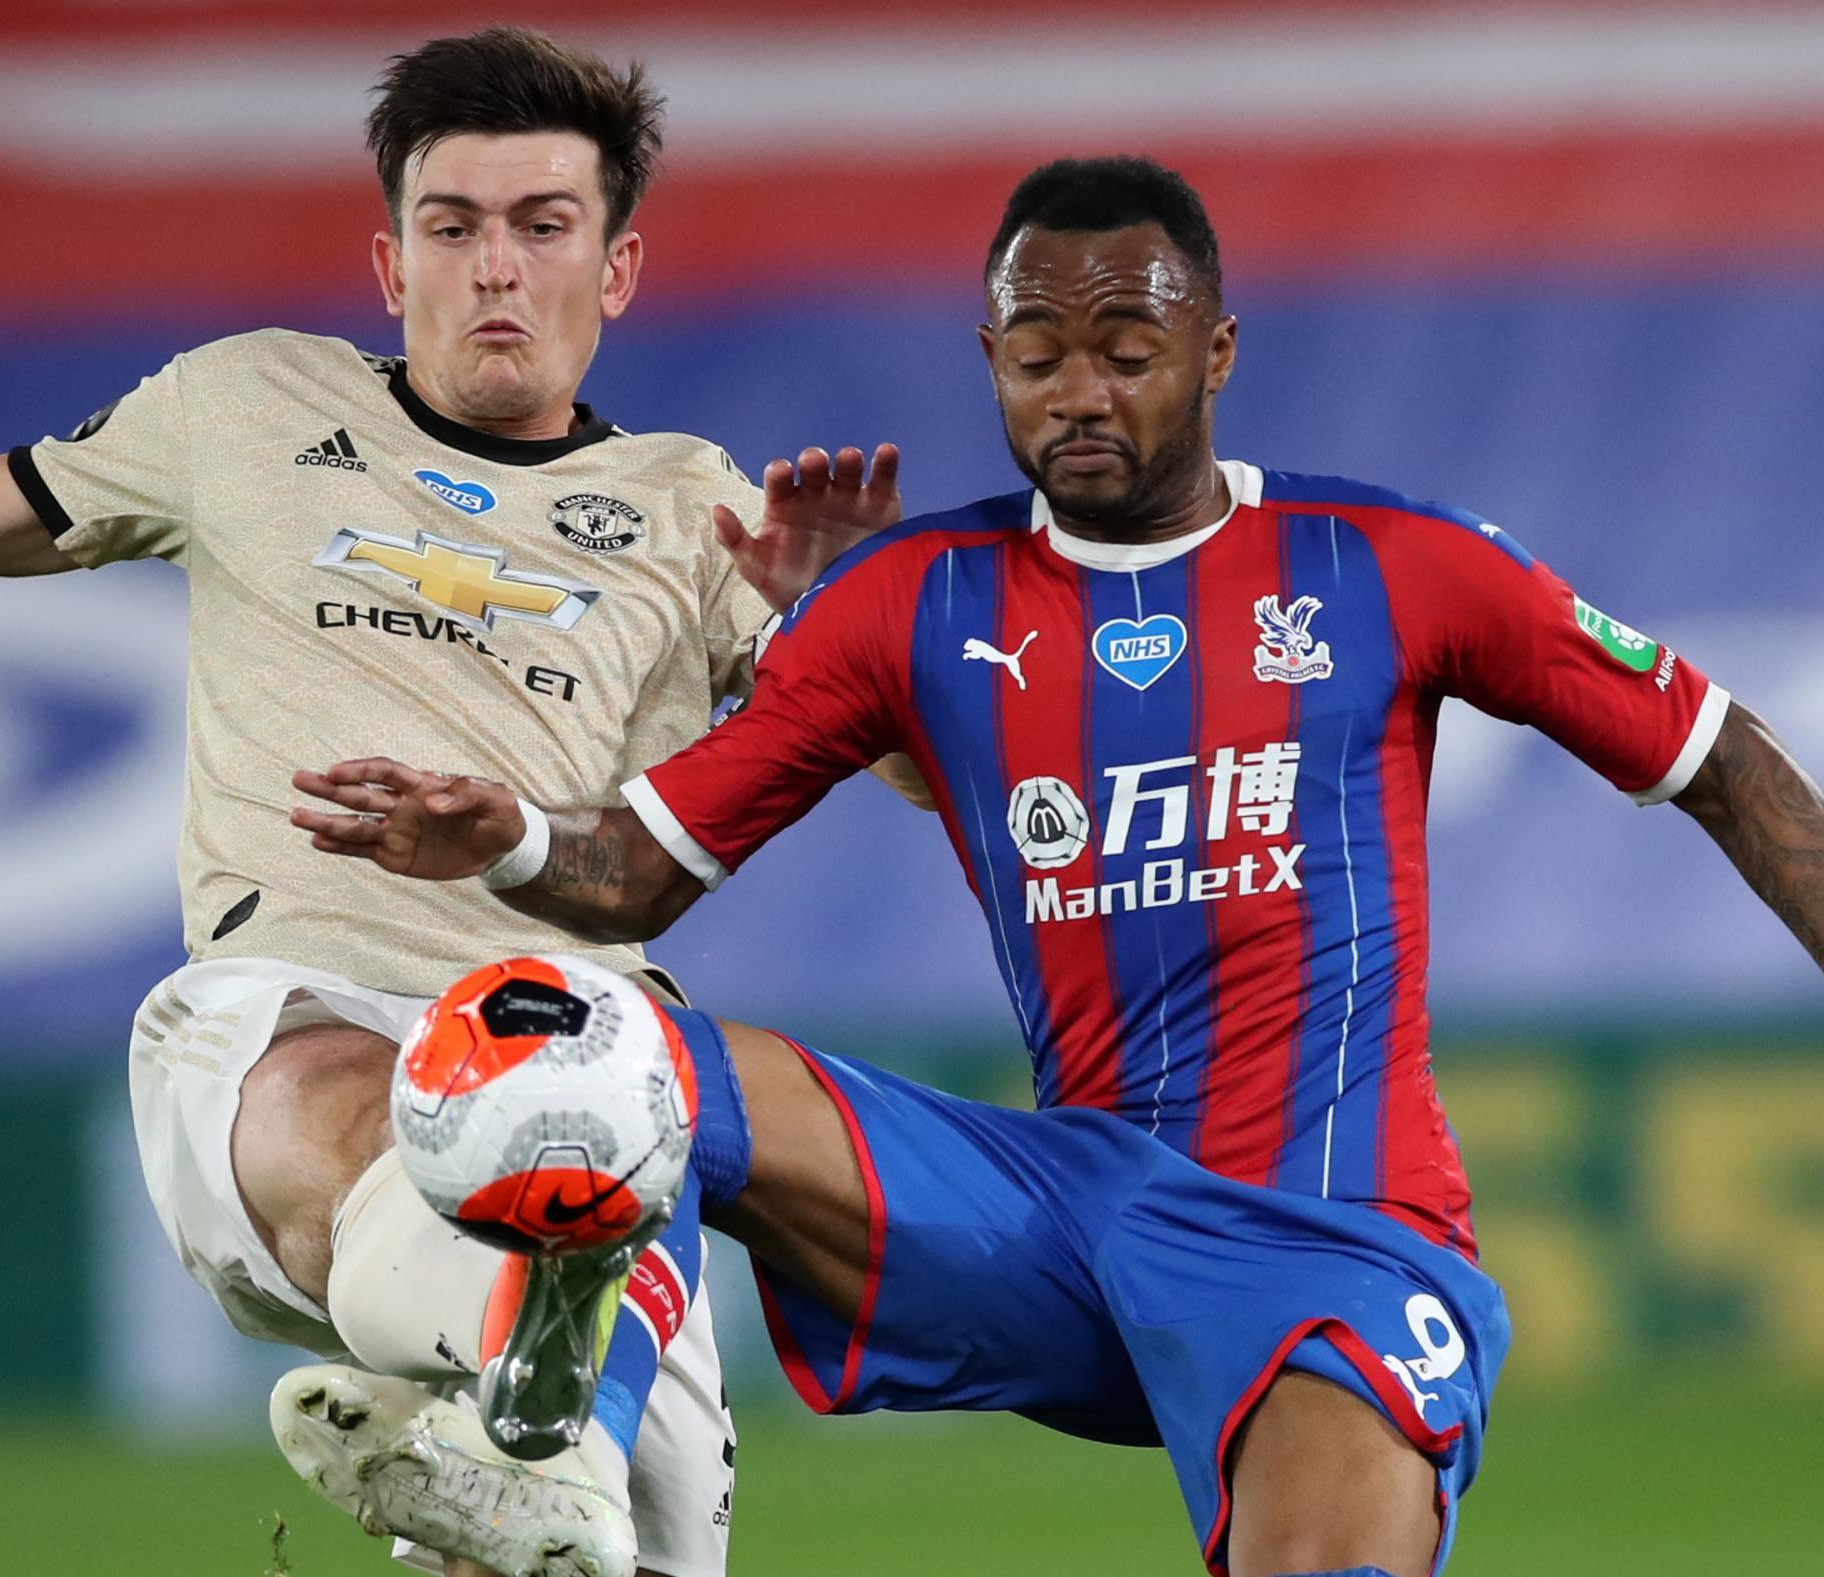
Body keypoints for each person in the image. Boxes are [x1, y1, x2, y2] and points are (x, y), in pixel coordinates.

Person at [290, 154, 1824, 1577]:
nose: (1081, 394)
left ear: (1216, 355)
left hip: (1329, 1246)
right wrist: (511, 841)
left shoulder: (1389, 562)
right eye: (1039, 358)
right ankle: (557, 1462)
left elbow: (1729, 764)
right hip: (1062, 1221)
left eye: (1128, 355)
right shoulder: (908, 600)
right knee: (617, 1052)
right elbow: (634, 879)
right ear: (990, 360)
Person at [0, 26, 903, 1577]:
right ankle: (533, 1366)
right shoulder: (245, 408)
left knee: (574, 1540)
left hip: (583, 1043)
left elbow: (928, 772)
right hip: (286, 1006)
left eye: (544, 227)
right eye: (453, 225)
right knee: (355, 1103)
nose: (496, 268)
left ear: (614, 270)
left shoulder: (701, 508)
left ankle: (523, 1418)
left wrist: (844, 633)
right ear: (388, 257)